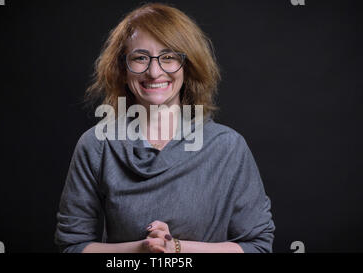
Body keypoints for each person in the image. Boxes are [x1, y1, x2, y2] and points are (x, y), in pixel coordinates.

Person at [54, 3, 275, 253]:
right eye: (140, 58)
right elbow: (71, 246)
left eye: (168, 57)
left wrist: (178, 248)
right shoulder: (97, 145)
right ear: (122, 69)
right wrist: (141, 249)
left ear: (187, 66)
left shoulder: (228, 147)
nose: (154, 71)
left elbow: (257, 247)